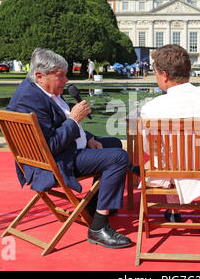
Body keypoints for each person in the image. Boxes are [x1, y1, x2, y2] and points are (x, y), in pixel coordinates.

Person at [7, 48, 132, 249]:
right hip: (52, 163)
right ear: (40, 76)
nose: (66, 80)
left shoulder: (42, 91)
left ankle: (93, 205)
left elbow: (60, 123)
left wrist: (89, 138)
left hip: (62, 153)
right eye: (61, 76)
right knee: (118, 157)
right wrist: (75, 118)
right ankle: (98, 227)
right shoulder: (30, 100)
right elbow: (51, 145)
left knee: (114, 144)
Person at [139, 44, 200, 237]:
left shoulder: (151, 108)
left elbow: (150, 149)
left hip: (173, 174)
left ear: (164, 75)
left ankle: (173, 212)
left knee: (166, 157)